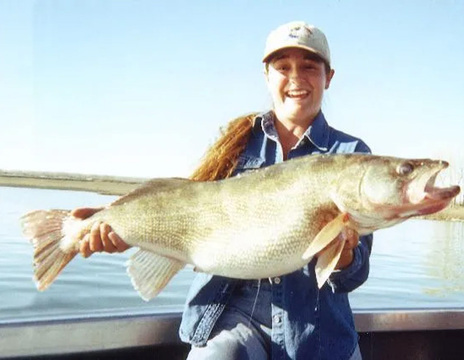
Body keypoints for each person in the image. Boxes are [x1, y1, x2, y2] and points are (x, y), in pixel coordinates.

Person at [73, 21, 373, 360]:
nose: (295, 78)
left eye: (309, 67)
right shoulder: (236, 143)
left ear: (328, 77)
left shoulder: (351, 155)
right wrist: (122, 229)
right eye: (283, 67)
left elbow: (354, 274)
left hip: (317, 335)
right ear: (266, 76)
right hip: (232, 318)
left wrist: (343, 253)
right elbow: (184, 204)